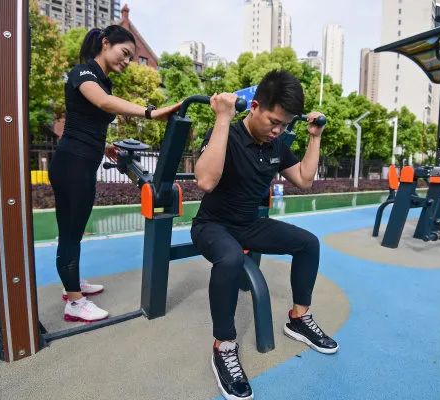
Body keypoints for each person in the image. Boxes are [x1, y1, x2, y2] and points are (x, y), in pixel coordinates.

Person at [191, 70, 338, 400]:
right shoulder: (226, 133)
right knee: (230, 258)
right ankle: (224, 345)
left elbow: (304, 180)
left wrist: (314, 137)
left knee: (308, 244)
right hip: (211, 225)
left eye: (284, 125)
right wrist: (223, 117)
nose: (278, 131)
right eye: (274, 122)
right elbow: (206, 181)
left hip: (249, 224)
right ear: (255, 106)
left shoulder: (275, 145)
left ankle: (299, 318)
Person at [49, 25, 179, 323]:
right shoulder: (83, 72)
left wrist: (104, 146)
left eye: (131, 57)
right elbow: (103, 103)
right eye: (125, 53)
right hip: (72, 164)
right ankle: (74, 303)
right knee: (70, 232)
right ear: (105, 43)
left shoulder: (102, 80)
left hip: (82, 161)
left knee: (75, 231)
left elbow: (87, 120)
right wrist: (150, 112)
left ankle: (72, 285)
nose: (128, 61)